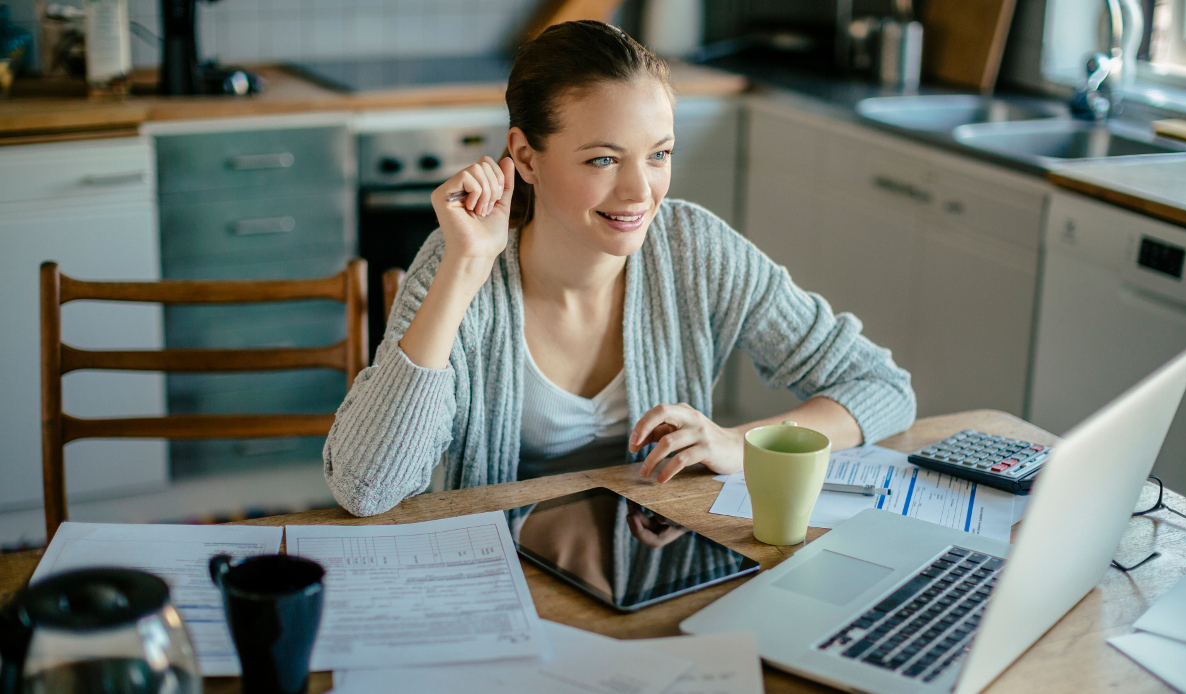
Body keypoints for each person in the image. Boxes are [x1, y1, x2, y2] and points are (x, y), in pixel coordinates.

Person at [324, 20, 916, 517]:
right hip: (497, 578)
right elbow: (365, 487)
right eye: (604, 158)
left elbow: (882, 388)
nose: (640, 191)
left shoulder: (693, 247)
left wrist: (741, 444)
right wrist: (465, 268)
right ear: (526, 156)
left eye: (658, 155)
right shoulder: (458, 262)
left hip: (653, 567)